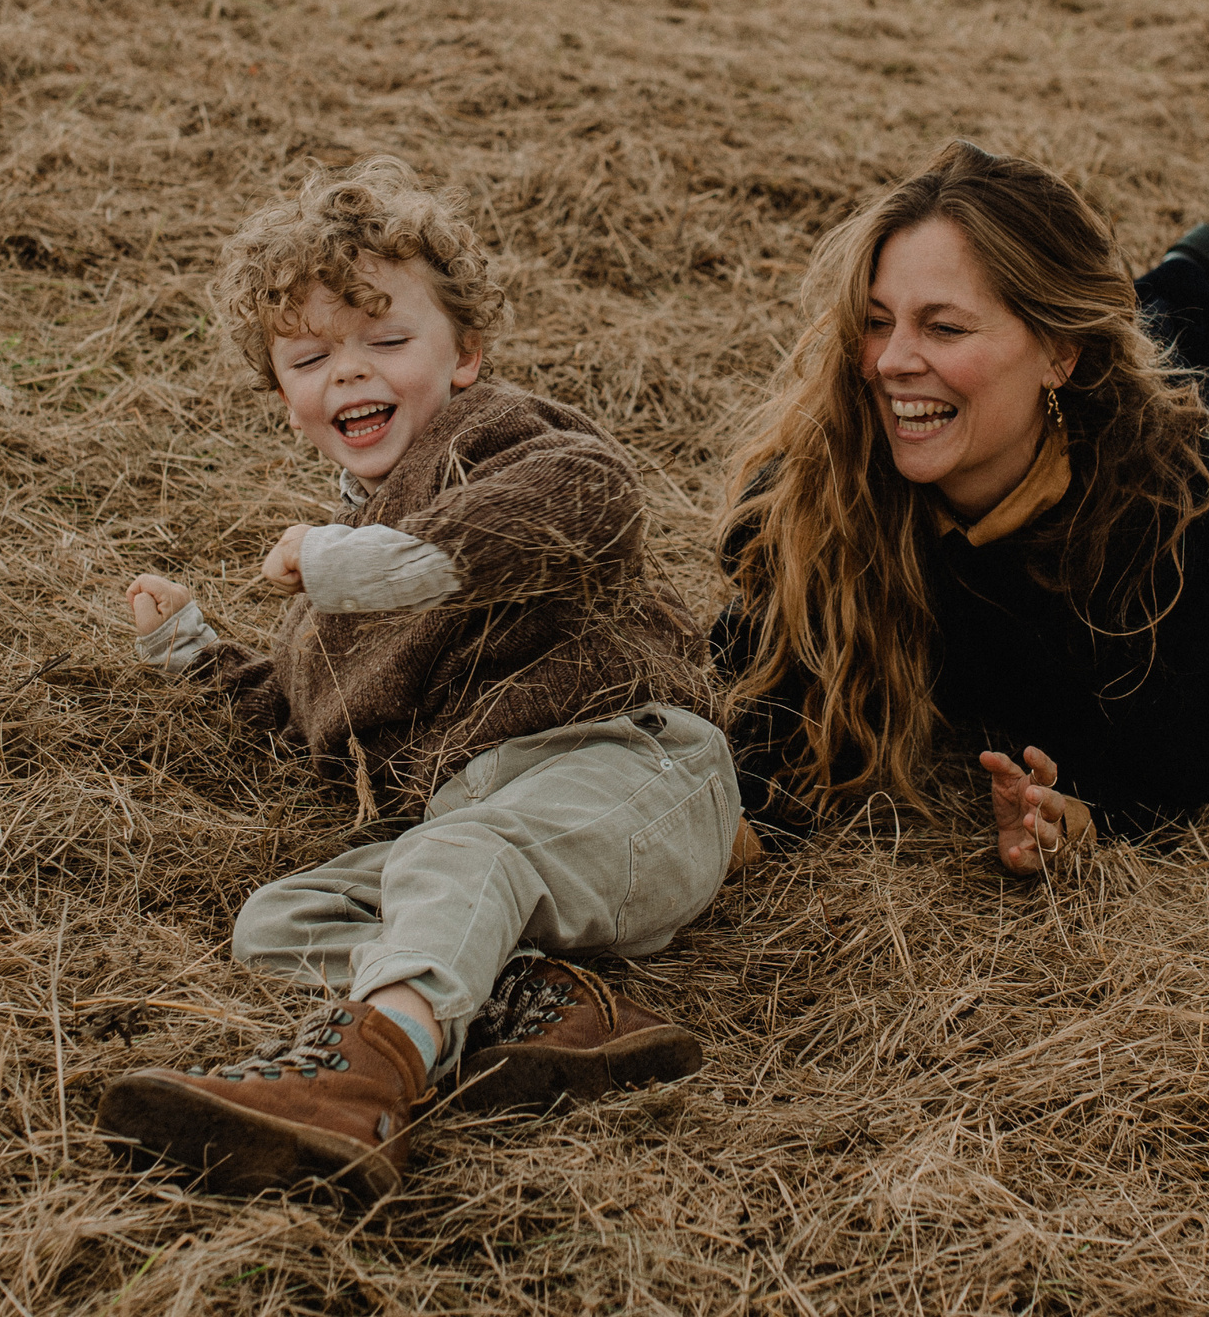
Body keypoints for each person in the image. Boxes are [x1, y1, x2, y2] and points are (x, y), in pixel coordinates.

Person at [96, 160, 740, 1199]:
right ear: (282, 390)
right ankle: (553, 1002)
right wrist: (195, 651)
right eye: (310, 355)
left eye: (388, 341)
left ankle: (358, 1084)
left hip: (629, 773)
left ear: (467, 355)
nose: (350, 372)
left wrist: (361, 565)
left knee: (455, 852)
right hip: (487, 834)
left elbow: (587, 499)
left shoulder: (501, 443)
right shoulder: (331, 595)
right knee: (280, 921)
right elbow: (309, 714)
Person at [713, 140, 1209, 869]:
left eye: (945, 327)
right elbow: (769, 695)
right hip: (1080, 412)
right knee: (1152, 367)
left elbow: (1192, 748)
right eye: (877, 321)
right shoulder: (827, 484)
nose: (891, 362)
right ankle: (1186, 282)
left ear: (1058, 354)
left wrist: (1089, 816)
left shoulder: (1176, 527)